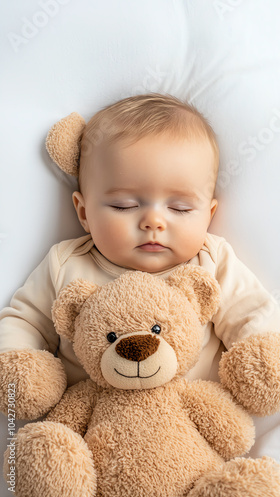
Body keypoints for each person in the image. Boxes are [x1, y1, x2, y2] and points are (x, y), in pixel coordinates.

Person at [0, 93, 280, 389]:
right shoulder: (66, 263)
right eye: (123, 205)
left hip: (190, 419)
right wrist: (20, 365)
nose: (153, 221)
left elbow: (254, 316)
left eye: (180, 208)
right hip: (89, 420)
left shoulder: (212, 261)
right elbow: (26, 321)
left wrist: (264, 363)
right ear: (84, 212)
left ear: (208, 215)